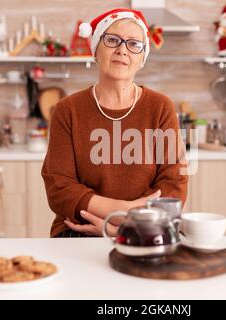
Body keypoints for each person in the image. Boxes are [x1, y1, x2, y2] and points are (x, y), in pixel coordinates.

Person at [42, 8, 188, 237]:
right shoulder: (67, 110)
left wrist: (123, 226)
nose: (122, 50)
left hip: (147, 227)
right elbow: (59, 187)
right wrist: (119, 210)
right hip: (81, 228)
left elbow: (174, 183)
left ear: (142, 58)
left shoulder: (161, 107)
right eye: (112, 40)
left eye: (133, 44)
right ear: (95, 50)